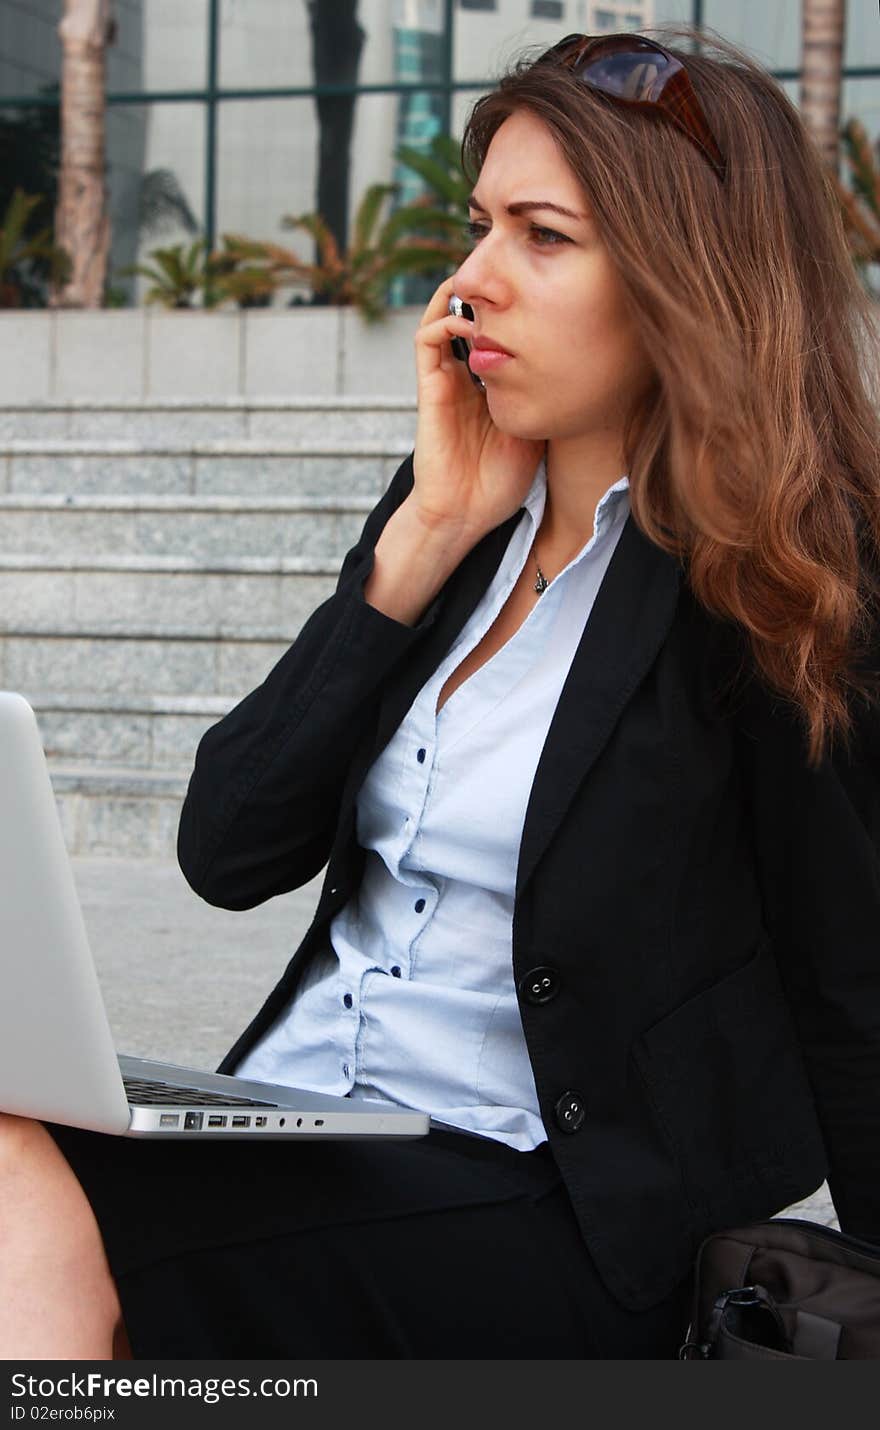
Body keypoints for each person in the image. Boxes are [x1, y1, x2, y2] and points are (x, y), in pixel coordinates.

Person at [2, 24, 879, 1361]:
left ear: (680, 280)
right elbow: (227, 852)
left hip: (548, 1204)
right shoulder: (453, 511)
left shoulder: (785, 582)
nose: (468, 282)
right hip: (308, 1128)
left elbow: (854, 986)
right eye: (477, 227)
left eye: (542, 236)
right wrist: (414, 550)